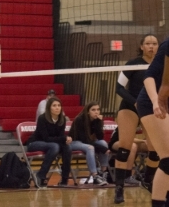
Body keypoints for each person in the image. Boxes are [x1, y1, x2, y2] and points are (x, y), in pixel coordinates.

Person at [114, 34, 159, 204]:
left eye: (154, 43)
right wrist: (135, 102)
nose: (151, 46)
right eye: (148, 43)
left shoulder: (160, 65)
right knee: (125, 147)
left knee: (154, 149)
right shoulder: (133, 64)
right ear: (141, 46)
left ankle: (147, 180)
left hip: (150, 107)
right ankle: (119, 189)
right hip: (130, 106)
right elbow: (119, 88)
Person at [136, 38, 169, 207]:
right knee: (168, 159)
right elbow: (149, 76)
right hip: (151, 102)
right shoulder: (168, 44)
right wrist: (156, 102)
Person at [27, 96, 72, 188]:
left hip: (51, 144)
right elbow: (46, 138)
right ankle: (41, 175)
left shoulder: (62, 119)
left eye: (59, 105)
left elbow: (60, 136)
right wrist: (63, 138)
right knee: (55, 146)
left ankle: (64, 179)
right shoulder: (42, 118)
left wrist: (66, 138)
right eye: (54, 105)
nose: (57, 107)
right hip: (35, 143)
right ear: (49, 107)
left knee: (67, 147)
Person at [69, 101, 109, 186]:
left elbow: (100, 137)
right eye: (93, 110)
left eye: (98, 110)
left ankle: (103, 172)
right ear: (88, 111)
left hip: (87, 142)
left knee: (103, 143)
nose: (96, 112)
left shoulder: (97, 120)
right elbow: (84, 140)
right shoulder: (80, 119)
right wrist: (102, 149)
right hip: (75, 142)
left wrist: (98, 122)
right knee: (90, 147)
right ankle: (95, 176)